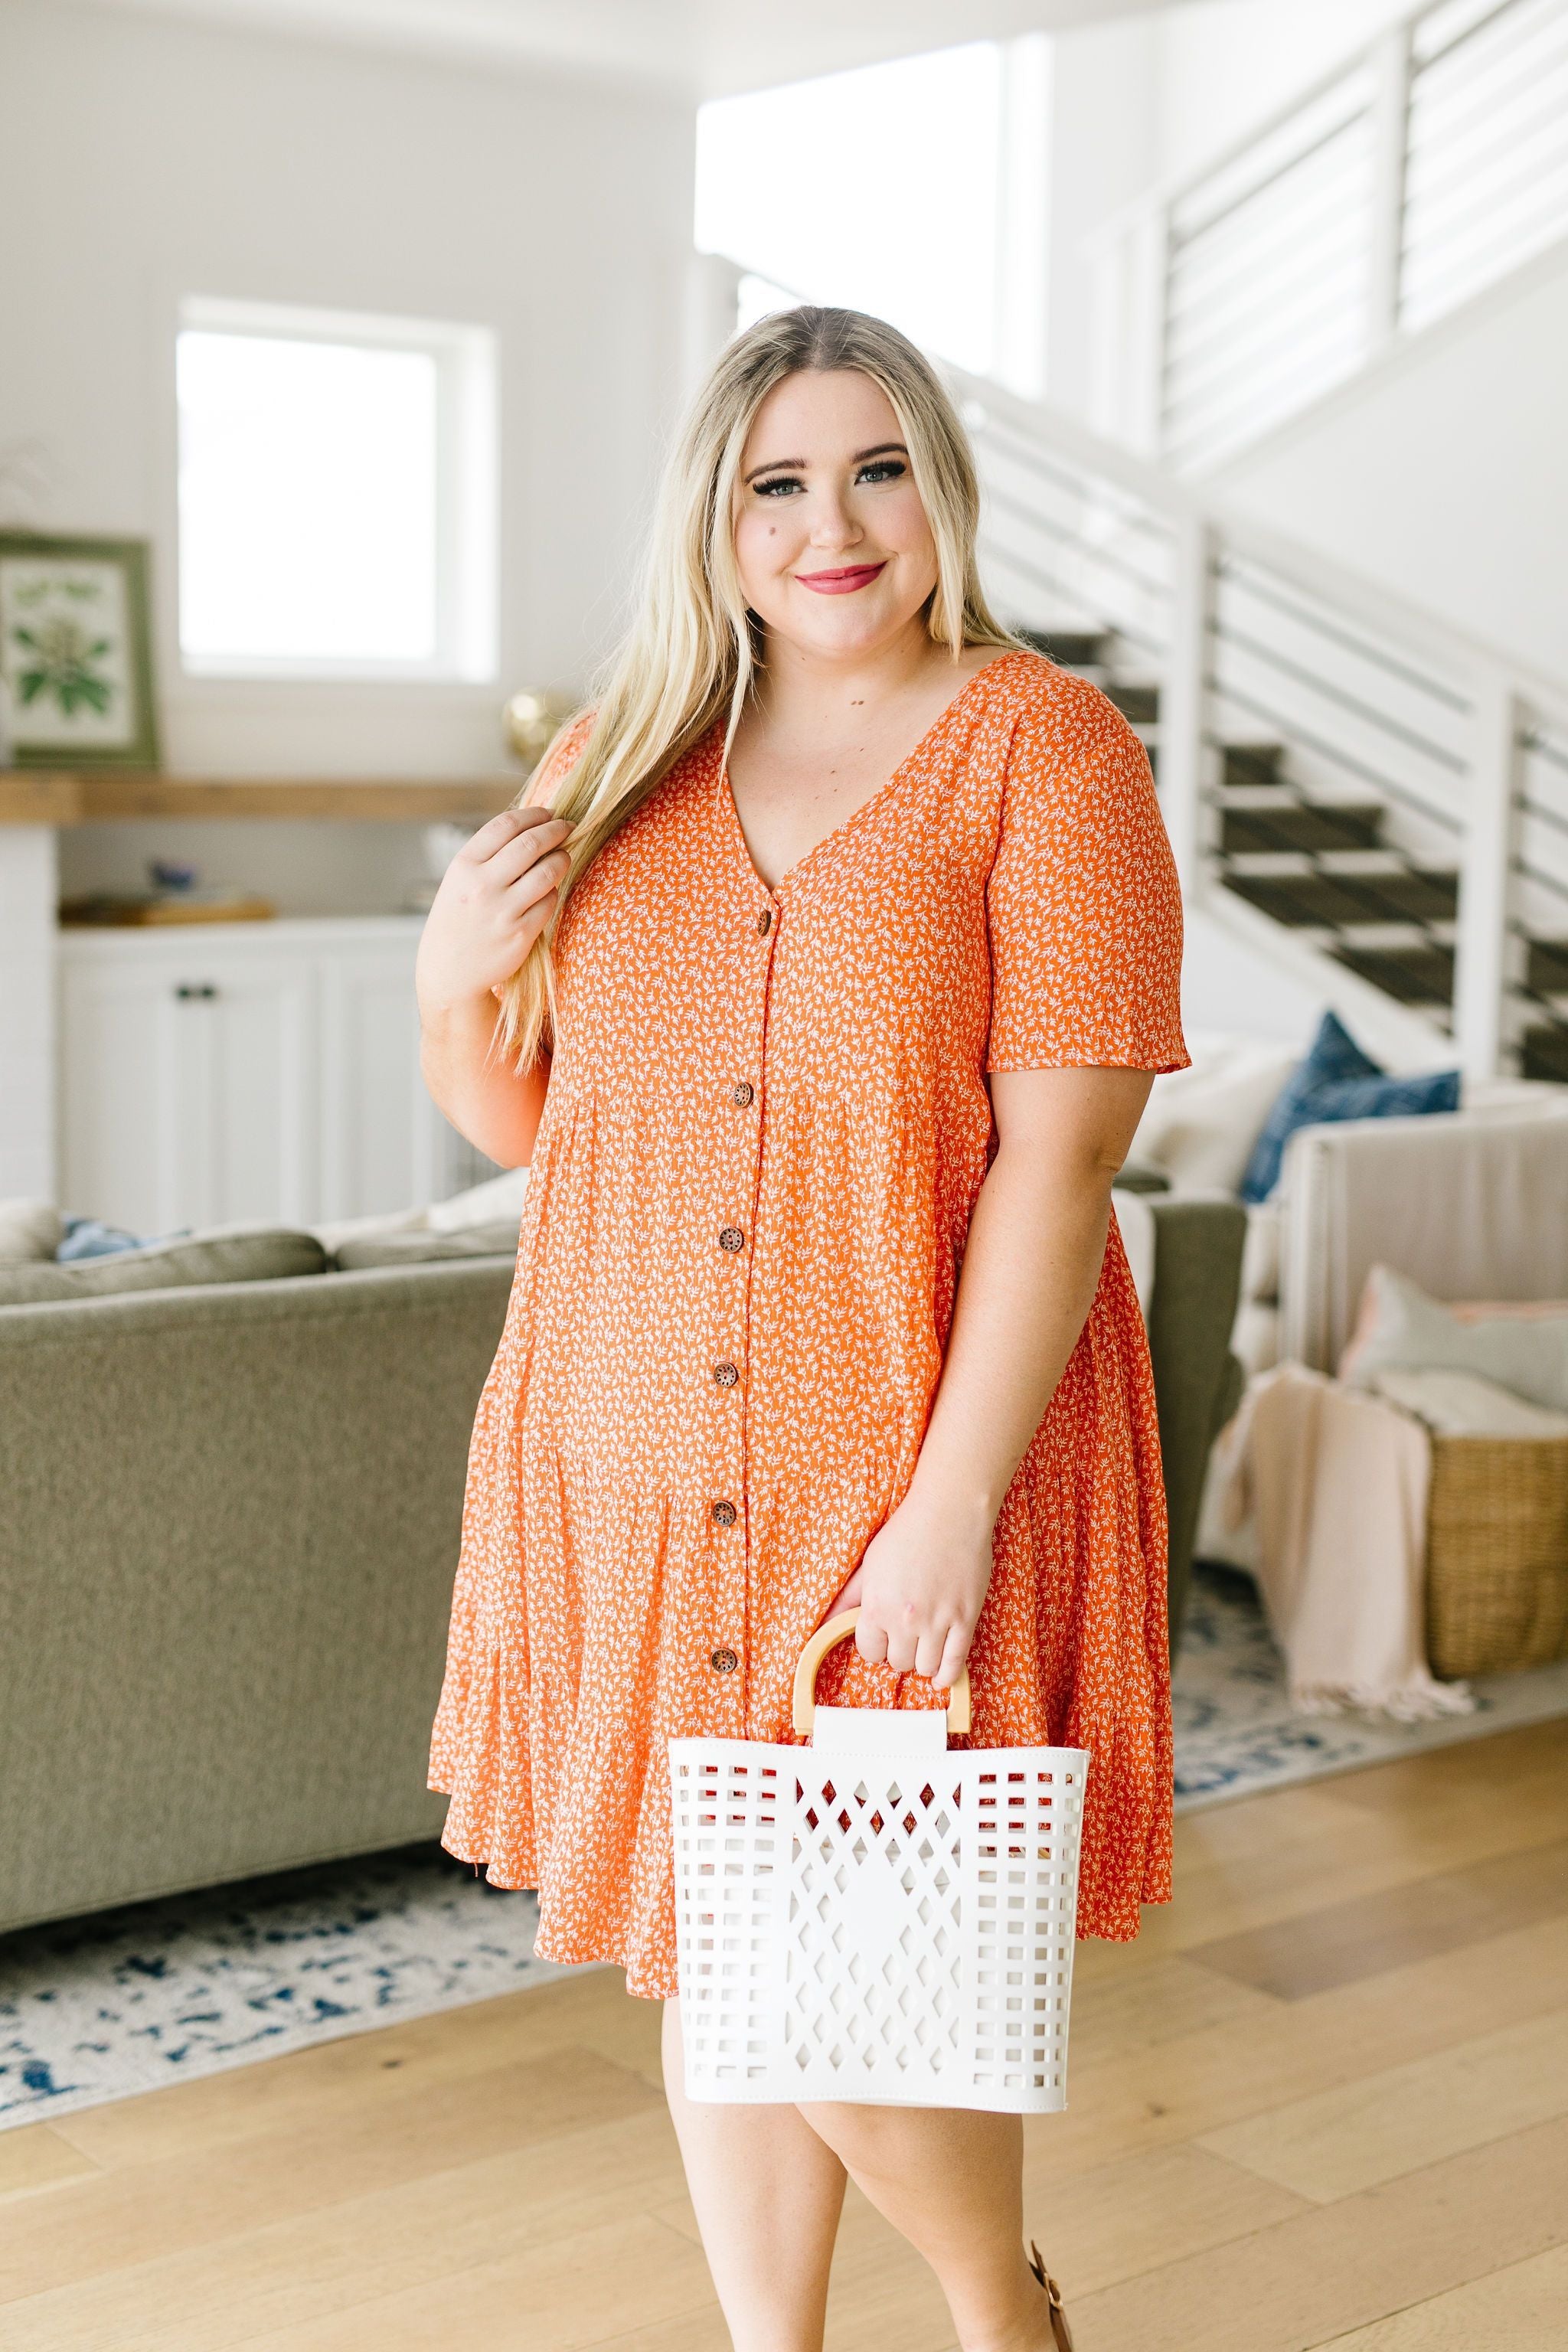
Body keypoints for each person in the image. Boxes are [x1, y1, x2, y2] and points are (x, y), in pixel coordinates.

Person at [416, 304, 1187, 2352]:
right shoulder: (625, 754)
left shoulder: (1048, 744)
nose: (829, 524)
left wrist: (945, 1513)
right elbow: (557, 1131)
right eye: (777, 480)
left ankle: (995, 2308)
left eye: (875, 469)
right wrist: (444, 986)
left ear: (939, 488)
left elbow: (1057, 1163)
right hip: (637, 1443)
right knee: (714, 1930)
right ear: (717, 514)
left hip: (911, 1445)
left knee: (858, 1949)